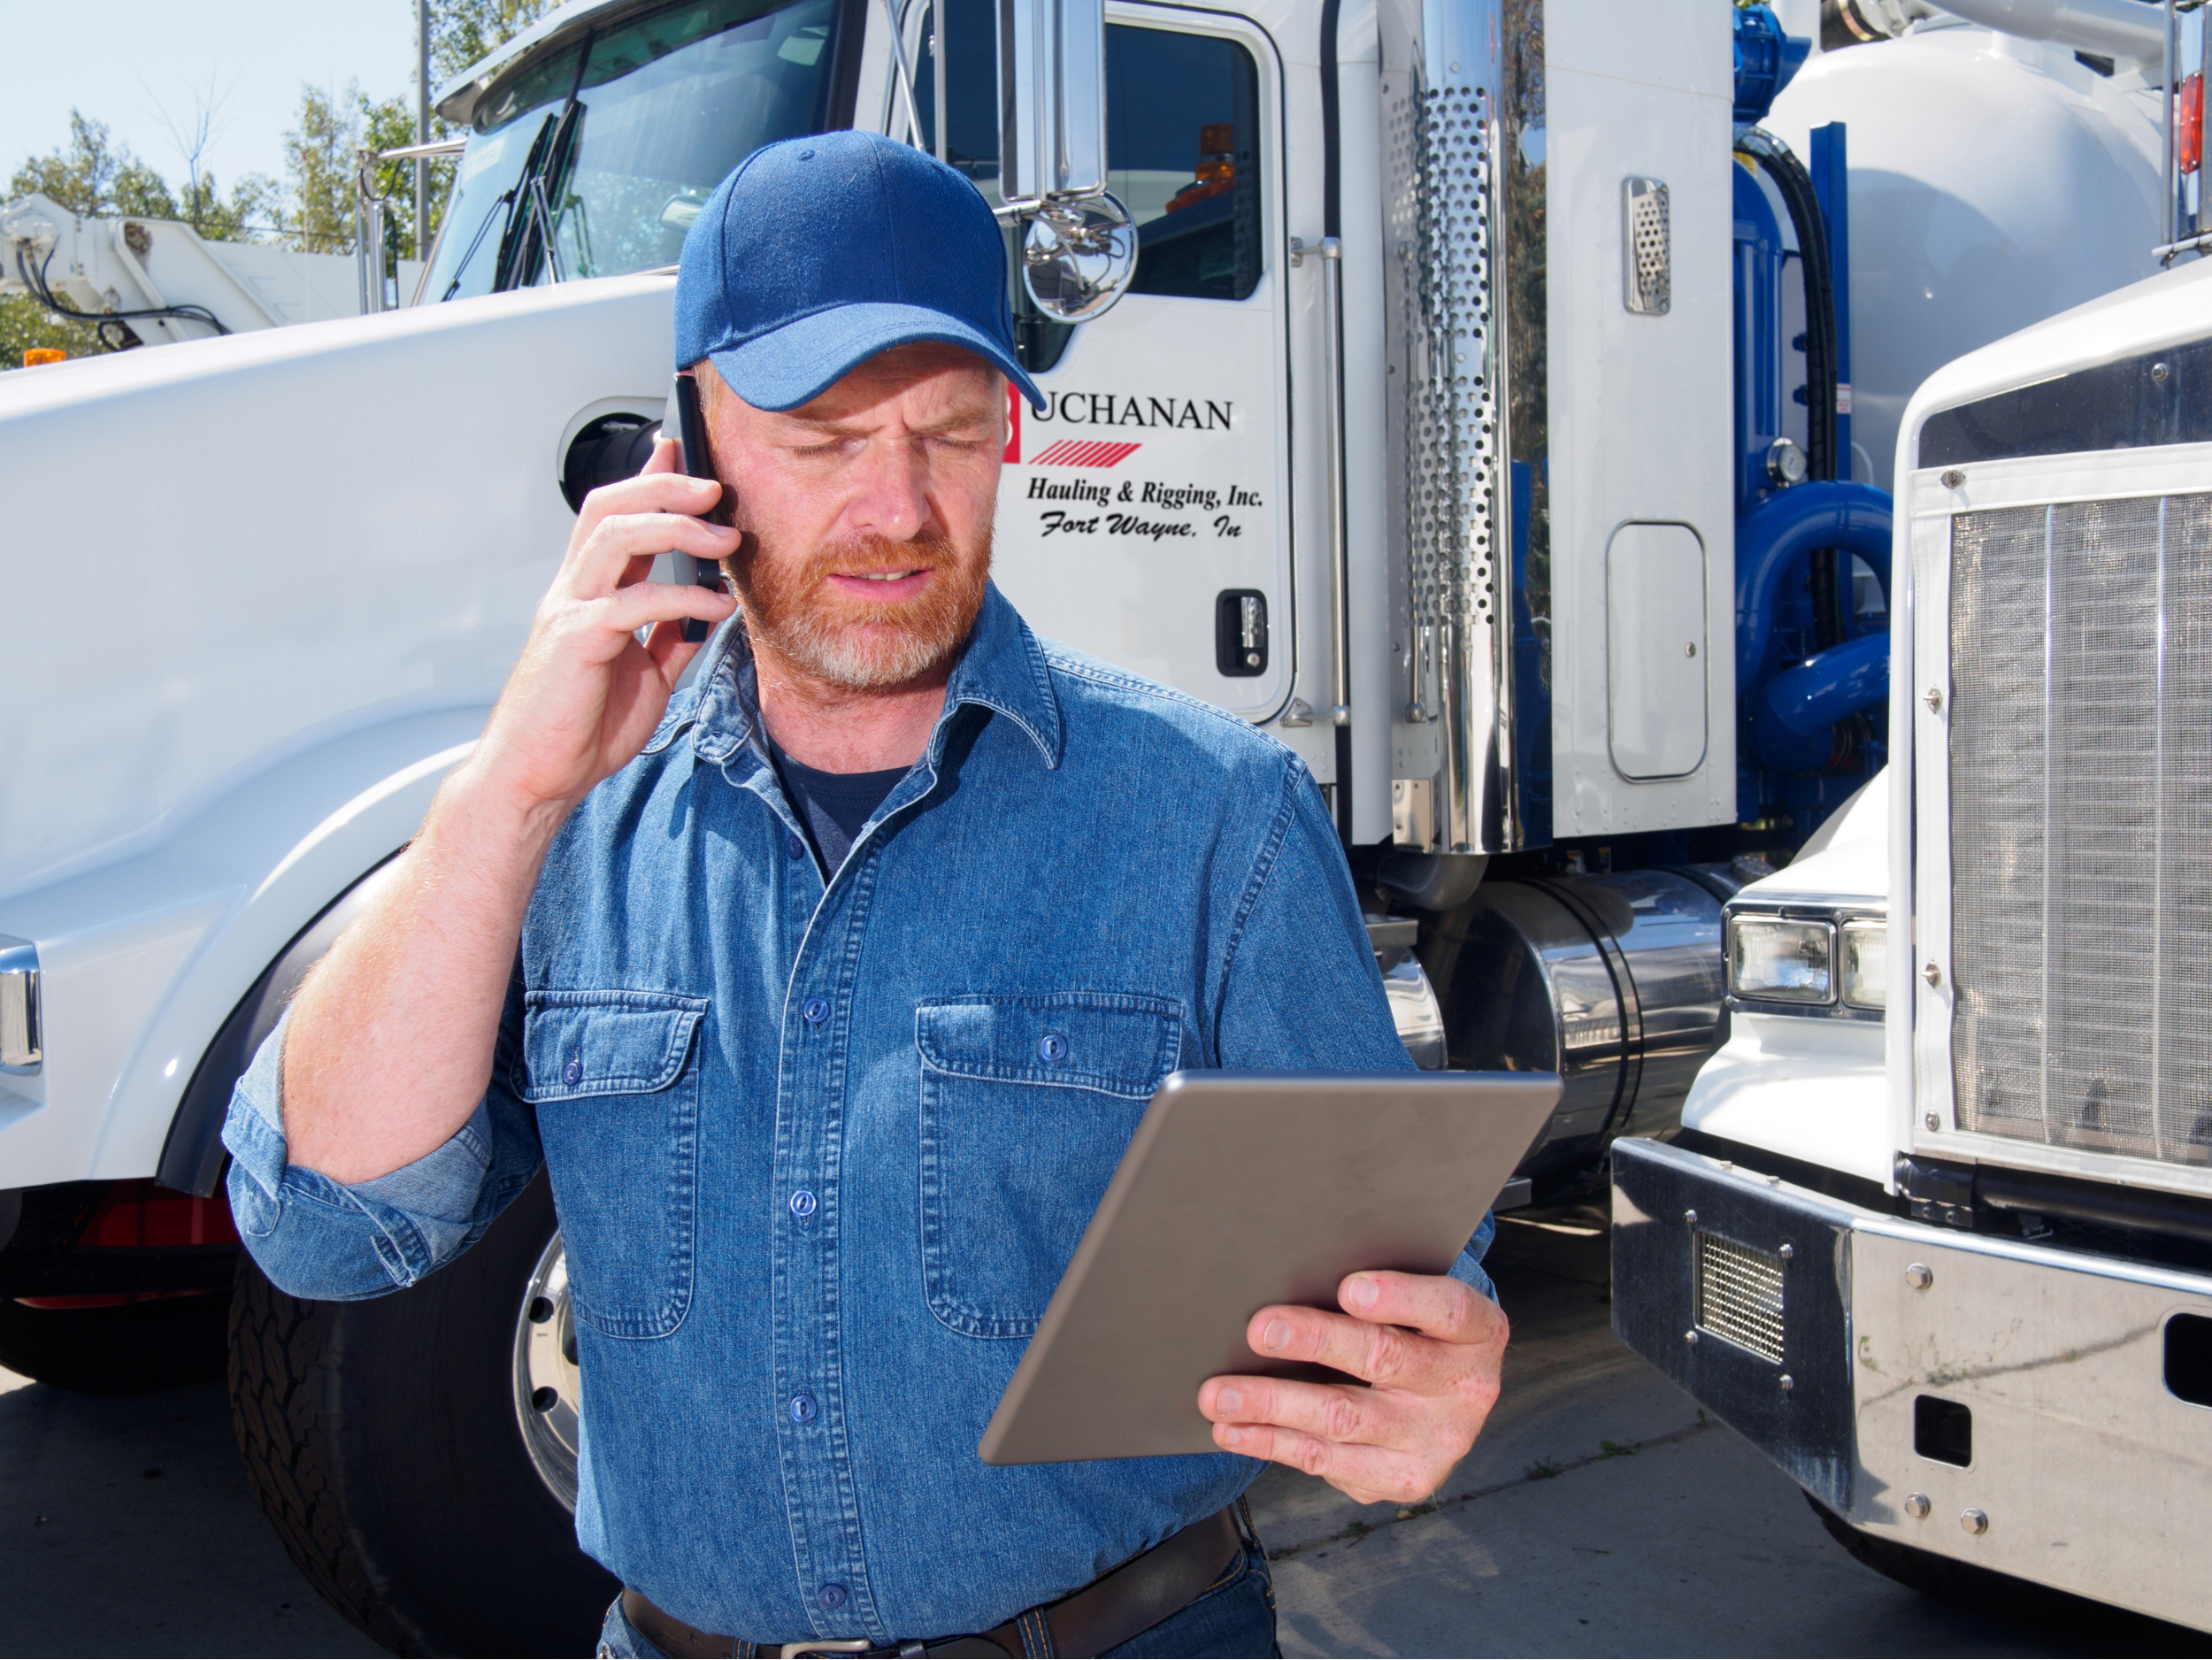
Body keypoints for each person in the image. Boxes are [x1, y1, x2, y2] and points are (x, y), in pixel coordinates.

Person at [222, 129, 1508, 1659]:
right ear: (689, 449)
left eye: (949, 432)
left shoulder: (1214, 815)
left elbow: (1383, 1262)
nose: (898, 506)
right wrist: (503, 796)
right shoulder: (563, 823)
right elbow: (327, 1230)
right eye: (824, 438)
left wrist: (1432, 1365)